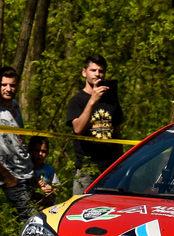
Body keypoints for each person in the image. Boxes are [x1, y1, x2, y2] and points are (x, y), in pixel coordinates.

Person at [0, 67, 37, 221]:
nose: (8, 89)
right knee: (31, 219)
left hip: (27, 171)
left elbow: (19, 139)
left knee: (40, 213)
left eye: (12, 85)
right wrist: (6, 176)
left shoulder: (15, 105)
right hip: (11, 175)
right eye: (4, 84)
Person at [66, 54, 125, 195]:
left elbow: (117, 134)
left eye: (101, 71)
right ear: (84, 72)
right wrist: (92, 101)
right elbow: (78, 129)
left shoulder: (111, 100)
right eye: (93, 70)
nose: (97, 74)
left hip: (110, 168)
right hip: (86, 169)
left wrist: (121, 165)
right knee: (79, 211)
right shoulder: (77, 101)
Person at [28, 136, 60, 207]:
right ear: (29, 150)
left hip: (49, 205)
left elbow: (58, 189)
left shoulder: (50, 169)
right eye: (36, 150)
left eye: (44, 151)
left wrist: (51, 190)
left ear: (48, 152)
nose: (40, 154)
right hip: (32, 205)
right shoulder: (25, 169)